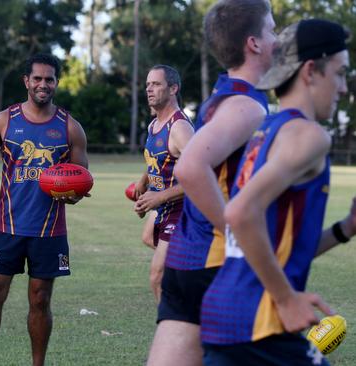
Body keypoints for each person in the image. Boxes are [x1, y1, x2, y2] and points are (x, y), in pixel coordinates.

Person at [201, 19, 353, 366]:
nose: (343, 88)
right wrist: (286, 299)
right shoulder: (310, 136)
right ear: (311, 70)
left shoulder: (266, 130)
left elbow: (274, 248)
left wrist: (346, 228)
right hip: (261, 321)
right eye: (341, 73)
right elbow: (238, 213)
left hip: (227, 315)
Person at [146, 1, 277, 365]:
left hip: (189, 259)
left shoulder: (222, 95)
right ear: (254, 43)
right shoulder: (246, 105)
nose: (277, 39)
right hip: (216, 263)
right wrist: (235, 233)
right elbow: (190, 168)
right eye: (273, 30)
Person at [0, 53, 88, 366]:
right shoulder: (6, 120)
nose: (43, 84)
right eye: (38, 78)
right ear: (27, 81)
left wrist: (73, 195)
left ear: (56, 82)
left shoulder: (70, 128)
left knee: (40, 299)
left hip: (49, 230)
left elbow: (83, 179)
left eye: (49, 79)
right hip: (7, 226)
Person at [132, 65, 194, 302]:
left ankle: (171, 327)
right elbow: (156, 159)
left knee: (157, 276)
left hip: (181, 208)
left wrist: (159, 197)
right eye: (148, 84)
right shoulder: (154, 124)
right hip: (162, 206)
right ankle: (190, 275)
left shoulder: (179, 128)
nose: (149, 89)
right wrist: (144, 181)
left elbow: (201, 174)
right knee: (148, 238)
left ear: (173, 88)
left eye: (156, 84)